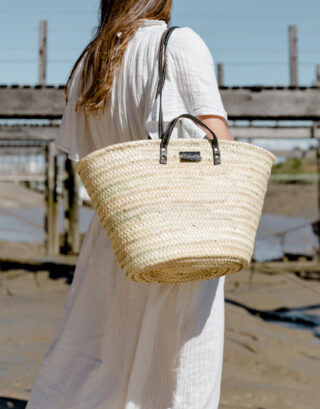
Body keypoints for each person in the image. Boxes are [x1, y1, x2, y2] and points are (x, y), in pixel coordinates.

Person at [26, 1, 234, 408]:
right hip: (180, 231)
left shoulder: (91, 62)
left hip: (116, 233)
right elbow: (219, 147)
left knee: (103, 369)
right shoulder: (178, 44)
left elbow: (84, 154)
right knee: (177, 375)